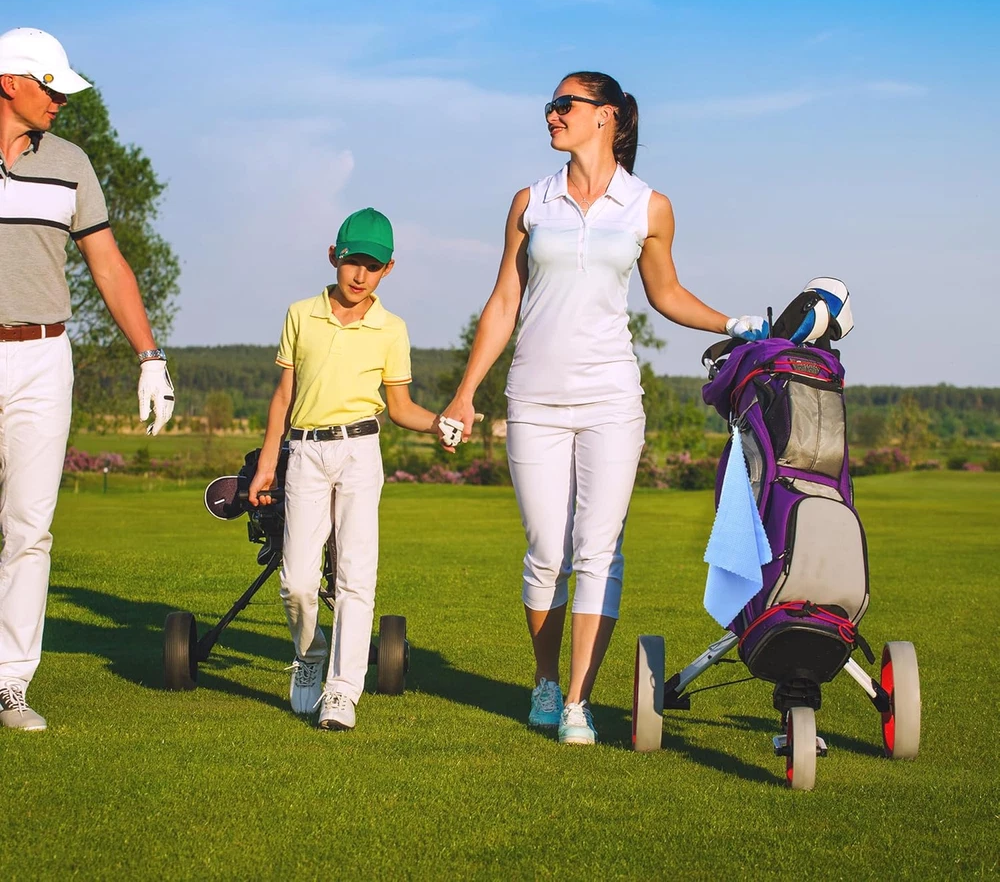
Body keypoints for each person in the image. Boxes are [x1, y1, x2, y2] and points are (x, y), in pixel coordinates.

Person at [441, 71, 766, 745]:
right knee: (545, 550)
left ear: (606, 116)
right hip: (533, 398)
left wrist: (731, 324)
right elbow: (504, 302)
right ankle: (545, 680)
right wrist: (466, 392)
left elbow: (666, 293)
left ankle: (577, 703)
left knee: (598, 549)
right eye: (551, 105)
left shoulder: (649, 206)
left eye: (565, 105)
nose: (552, 115)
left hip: (612, 400)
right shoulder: (531, 202)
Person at [0, 28, 175, 731]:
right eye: (52, 87)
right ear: (10, 82)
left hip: (44, 357)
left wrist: (150, 356)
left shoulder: (70, 163)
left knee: (30, 528)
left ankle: (10, 683)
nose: (61, 101)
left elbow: (107, 264)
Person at [248, 208, 446, 731]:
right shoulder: (300, 314)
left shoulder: (391, 329)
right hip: (305, 452)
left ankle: (342, 691)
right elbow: (284, 395)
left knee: (356, 576)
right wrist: (267, 462)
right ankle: (311, 655)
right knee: (297, 580)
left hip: (360, 451)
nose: (360, 275)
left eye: (373, 266)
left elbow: (400, 407)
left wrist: (439, 423)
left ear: (388, 269)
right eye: (352, 261)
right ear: (333, 256)